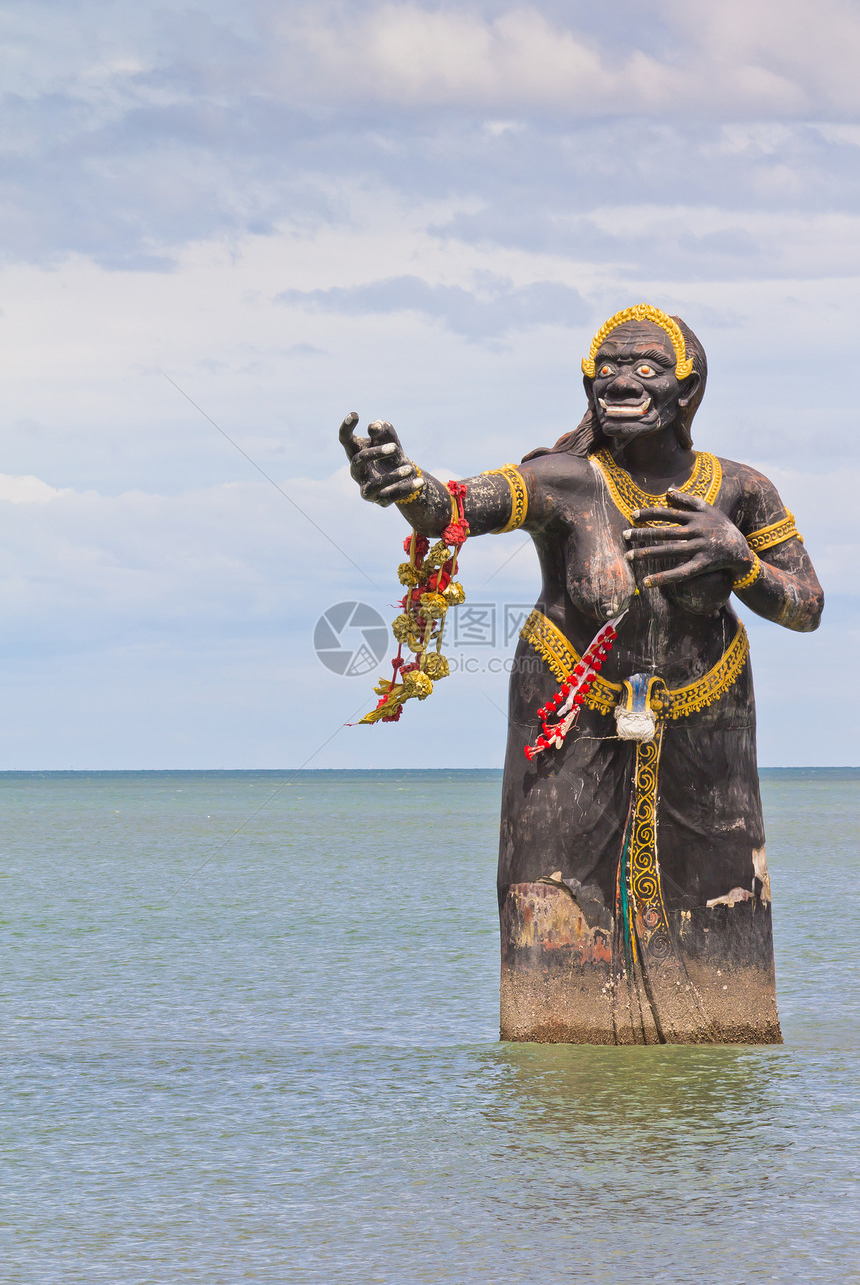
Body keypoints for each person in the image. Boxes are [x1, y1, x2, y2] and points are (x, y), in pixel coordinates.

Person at [339, 304, 823, 1044]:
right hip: (569, 713)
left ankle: (718, 1079)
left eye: (646, 368)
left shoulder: (740, 491)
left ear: (688, 391)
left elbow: (805, 607)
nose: (621, 381)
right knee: (551, 892)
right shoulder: (563, 481)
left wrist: (739, 559)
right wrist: (407, 485)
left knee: (723, 896)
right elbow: (455, 509)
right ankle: (558, 1090)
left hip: (710, 721)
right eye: (608, 368)